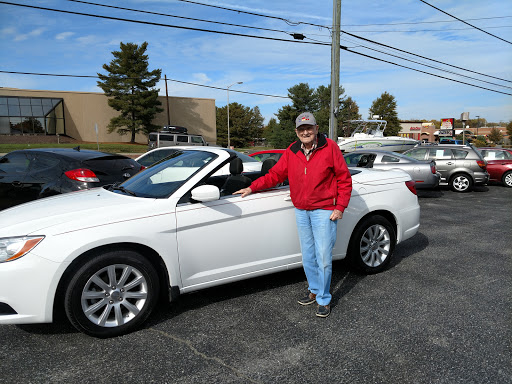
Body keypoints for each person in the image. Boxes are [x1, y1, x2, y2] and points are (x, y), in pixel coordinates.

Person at [235, 112, 352, 318]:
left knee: (323, 256)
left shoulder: (329, 147)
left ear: (316, 129)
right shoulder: (292, 150)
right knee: (308, 255)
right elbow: (276, 175)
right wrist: (252, 188)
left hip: (324, 210)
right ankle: (314, 291)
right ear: (296, 132)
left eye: (309, 128)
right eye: (301, 129)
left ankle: (324, 298)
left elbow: (344, 179)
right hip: (301, 210)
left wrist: (339, 207)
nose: (305, 132)